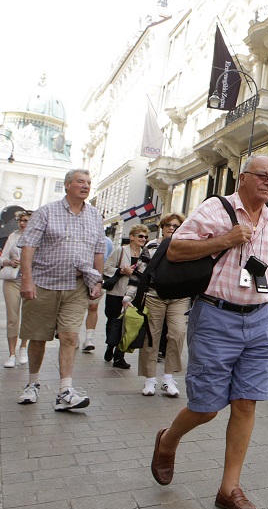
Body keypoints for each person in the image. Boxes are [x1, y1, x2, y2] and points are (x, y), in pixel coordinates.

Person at [149, 155, 268, 509]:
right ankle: (168, 441)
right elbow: (177, 249)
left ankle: (229, 489)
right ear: (243, 178)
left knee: (247, 403)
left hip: (259, 320)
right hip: (216, 316)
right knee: (206, 406)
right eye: (262, 176)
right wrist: (225, 240)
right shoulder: (216, 208)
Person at [17, 169, 106, 409]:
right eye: (80, 182)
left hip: (77, 285)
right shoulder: (47, 212)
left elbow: (99, 250)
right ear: (67, 185)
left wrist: (97, 281)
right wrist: (27, 280)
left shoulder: (96, 216)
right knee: (38, 337)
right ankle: (32, 384)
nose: (86, 186)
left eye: (88, 182)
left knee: (69, 336)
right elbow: (28, 246)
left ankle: (65, 391)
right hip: (45, 283)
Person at [122, 214, 188, 398]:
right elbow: (138, 274)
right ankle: (149, 379)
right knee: (152, 336)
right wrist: (128, 296)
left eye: (176, 225)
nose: (172, 228)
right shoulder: (152, 246)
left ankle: (168, 378)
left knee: (178, 333)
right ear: (162, 226)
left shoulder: (186, 245)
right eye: (168, 224)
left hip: (179, 297)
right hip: (154, 296)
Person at [102, 224, 149, 369]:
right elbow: (106, 268)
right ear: (132, 237)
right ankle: (110, 345)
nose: (143, 239)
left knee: (128, 324)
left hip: (134, 295)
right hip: (117, 292)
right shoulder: (120, 251)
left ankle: (119, 355)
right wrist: (121, 270)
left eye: (145, 237)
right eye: (140, 236)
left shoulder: (146, 255)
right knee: (113, 321)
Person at [2, 211, 32, 368]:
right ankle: (12, 354)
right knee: (12, 318)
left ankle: (23, 348)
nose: (22, 223)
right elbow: (2, 257)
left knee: (28, 317)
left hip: (30, 281)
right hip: (12, 280)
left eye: (26, 221)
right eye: (21, 220)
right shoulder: (13, 236)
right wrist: (9, 261)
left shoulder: (38, 237)